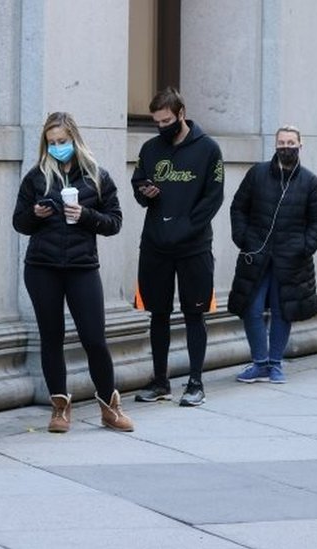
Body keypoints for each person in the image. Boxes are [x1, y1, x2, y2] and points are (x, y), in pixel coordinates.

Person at [12, 112, 133, 433]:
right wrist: (35, 214)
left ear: (75, 140)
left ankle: (110, 407)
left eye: (62, 142)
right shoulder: (36, 177)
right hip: (42, 267)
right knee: (51, 338)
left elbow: (114, 222)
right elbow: (19, 223)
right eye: (51, 143)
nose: (56, 147)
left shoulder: (97, 176)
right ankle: (59, 409)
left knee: (94, 339)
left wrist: (85, 215)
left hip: (82, 267)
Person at [130, 87, 224, 407]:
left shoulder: (208, 149)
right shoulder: (149, 149)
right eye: (156, 122)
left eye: (166, 120)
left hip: (194, 246)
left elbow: (213, 198)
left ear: (181, 112)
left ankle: (195, 382)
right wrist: (146, 193)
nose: (161, 127)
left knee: (194, 314)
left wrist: (184, 228)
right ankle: (160, 381)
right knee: (158, 314)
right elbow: (137, 185)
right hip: (156, 244)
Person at [229, 126, 317, 384]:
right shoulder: (257, 174)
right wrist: (243, 237)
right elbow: (238, 207)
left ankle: (275, 363)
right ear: (275, 145)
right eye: (282, 142)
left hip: (291, 260)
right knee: (251, 308)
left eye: (291, 142)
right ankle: (259, 363)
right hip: (257, 255)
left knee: (283, 310)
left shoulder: (310, 181)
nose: (286, 147)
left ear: (300, 145)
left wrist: (305, 247)